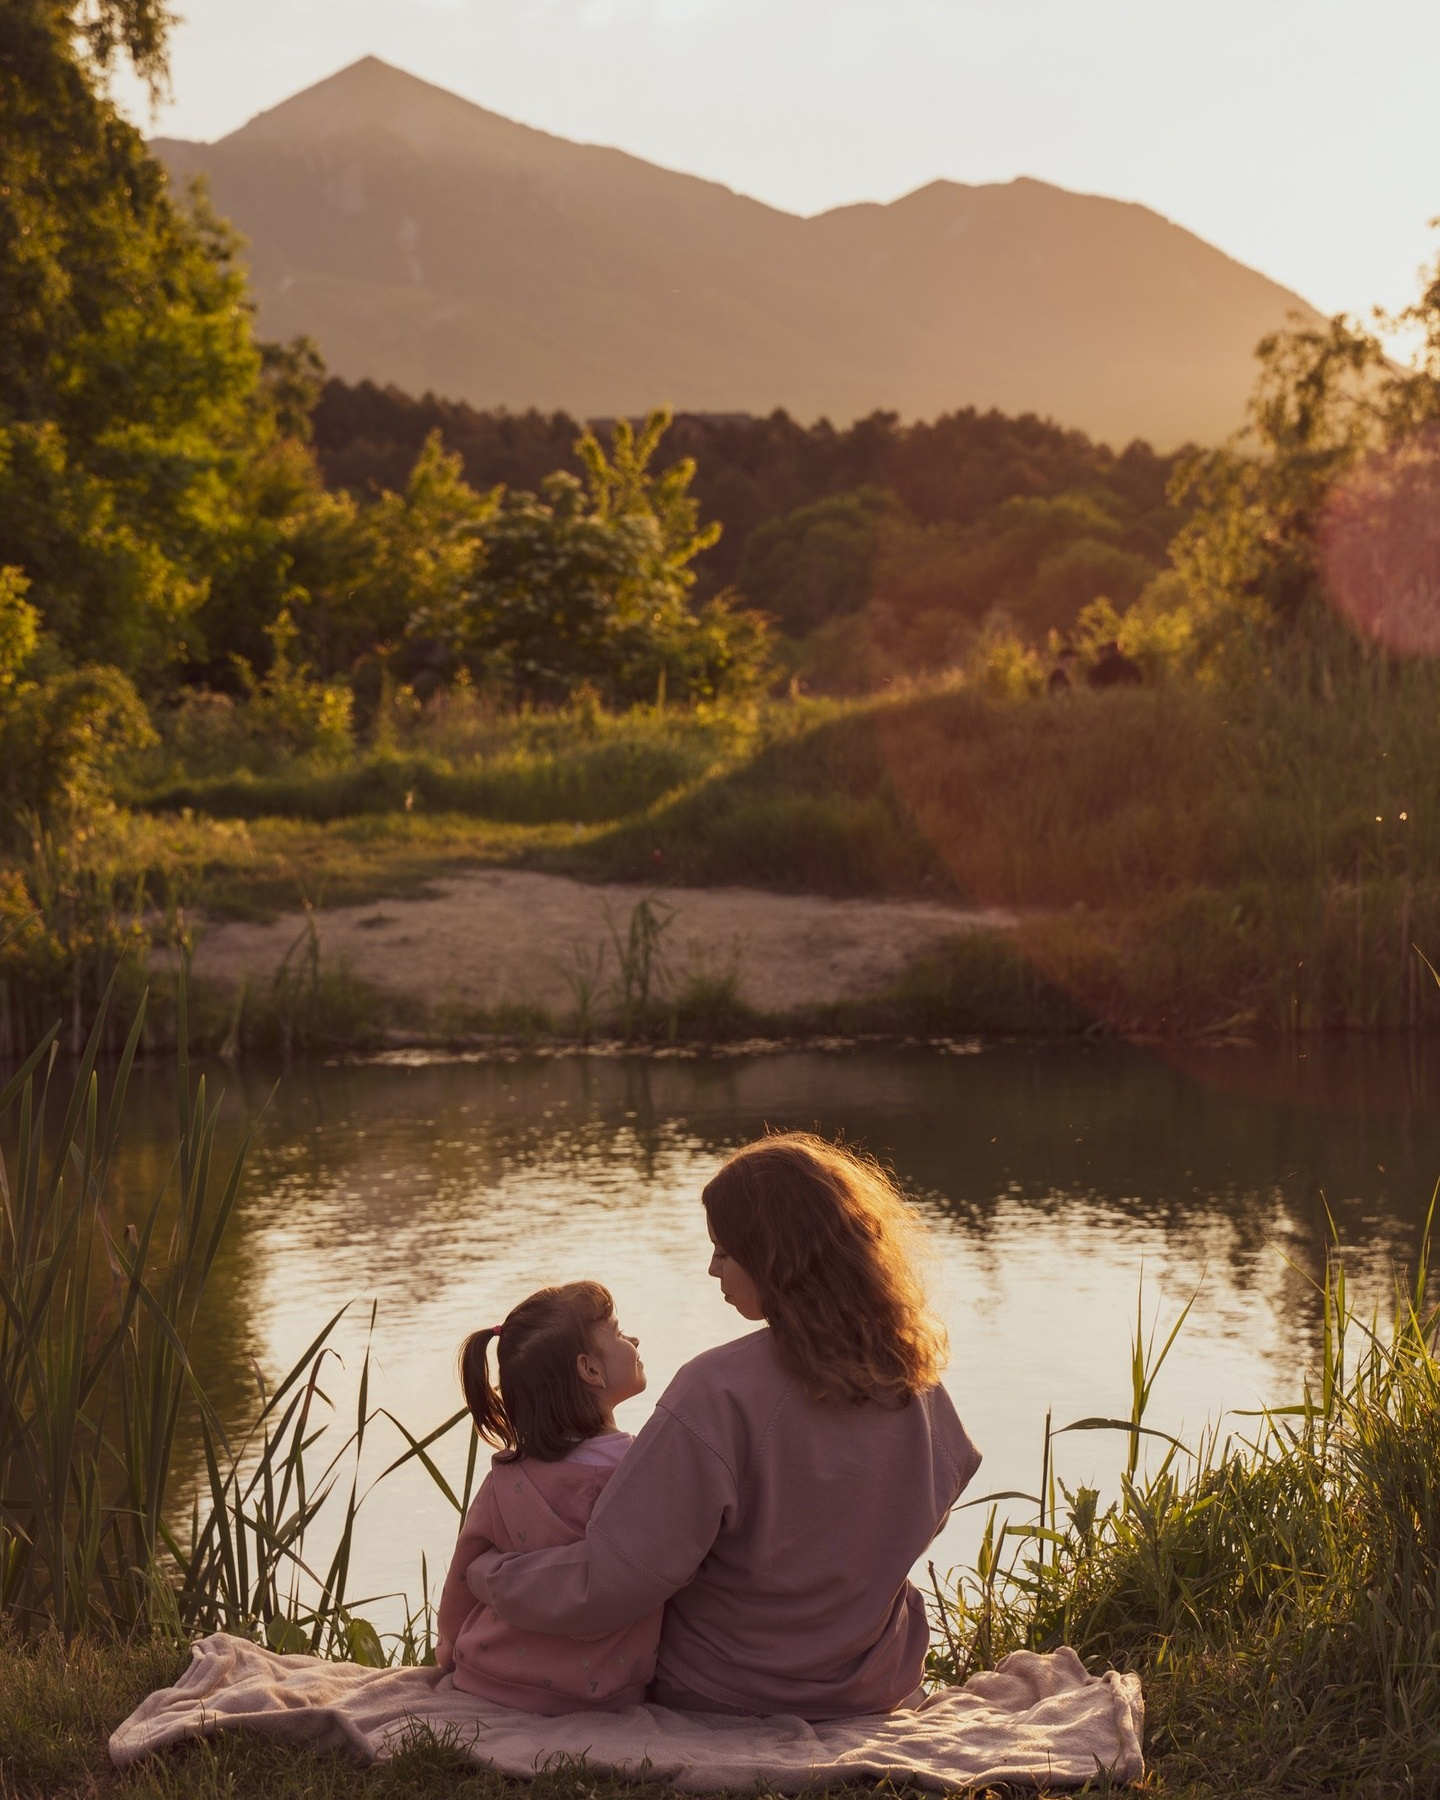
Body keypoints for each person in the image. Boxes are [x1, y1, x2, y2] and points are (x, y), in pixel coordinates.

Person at [467, 1135, 982, 1720]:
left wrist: (491, 1574)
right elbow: (947, 1481)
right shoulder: (915, 1380)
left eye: (723, 1251)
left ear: (774, 1257)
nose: (712, 1267)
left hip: (728, 1688)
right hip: (872, 1683)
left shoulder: (715, 1390)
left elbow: (611, 1581)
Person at [434, 1281, 660, 1714]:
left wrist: (448, 1642)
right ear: (590, 1370)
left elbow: (465, 1567)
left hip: (486, 1674)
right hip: (598, 1690)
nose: (633, 1340)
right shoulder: (638, 1471)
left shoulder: (507, 1476)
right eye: (617, 1332)